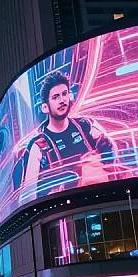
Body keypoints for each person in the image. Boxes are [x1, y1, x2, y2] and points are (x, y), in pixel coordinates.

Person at [17, 71, 116, 201]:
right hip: (63, 212)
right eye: (55, 97)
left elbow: (112, 151)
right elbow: (27, 197)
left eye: (65, 94)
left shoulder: (86, 125)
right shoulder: (38, 145)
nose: (62, 100)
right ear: (45, 107)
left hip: (98, 200)